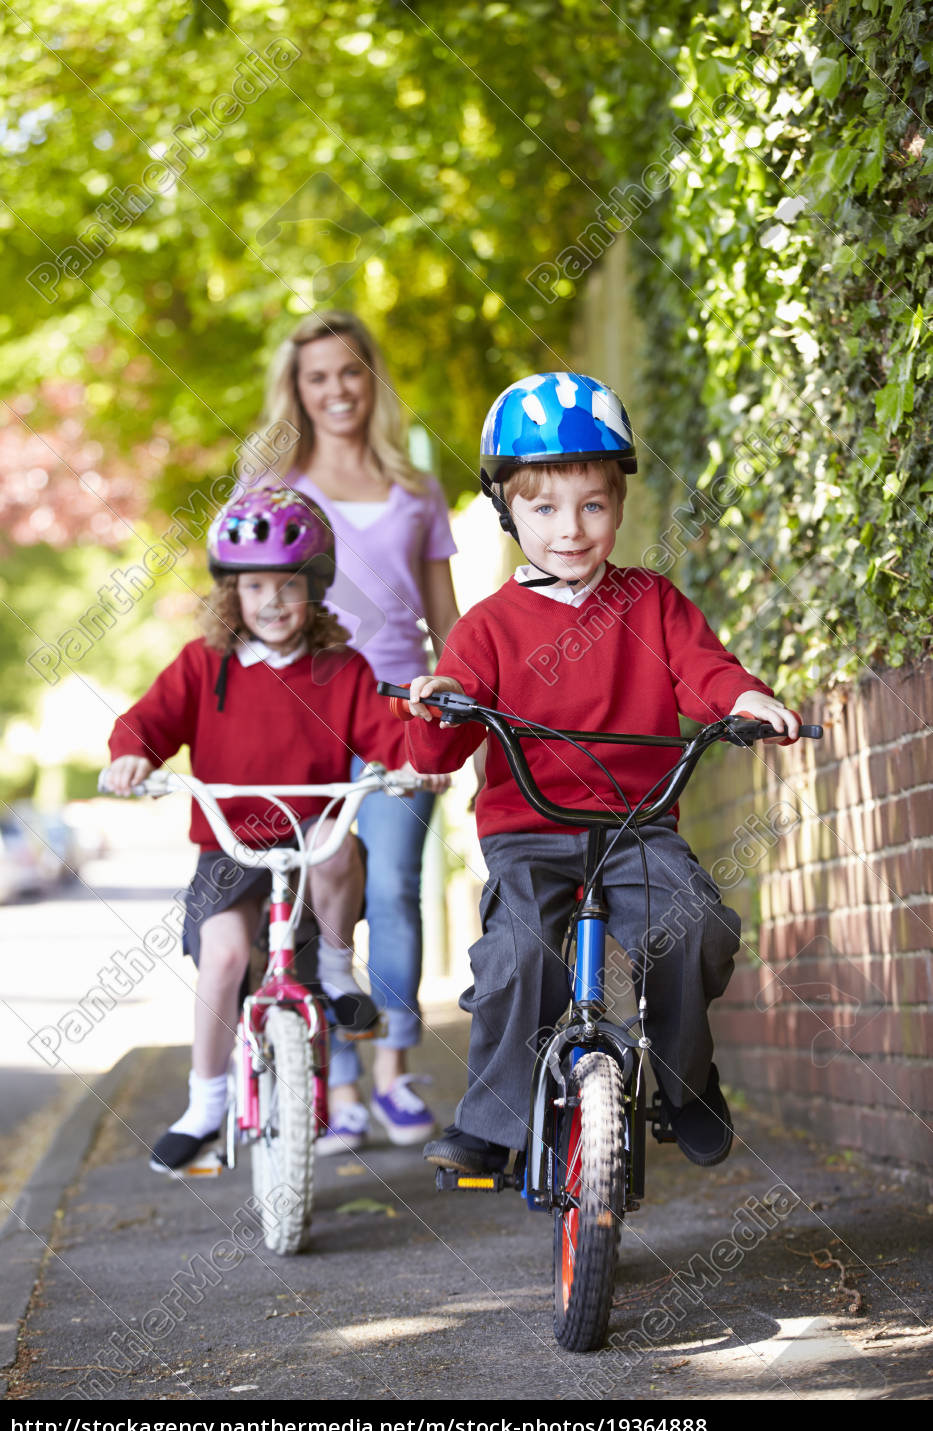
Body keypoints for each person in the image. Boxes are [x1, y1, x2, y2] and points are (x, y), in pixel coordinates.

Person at [404, 372, 802, 1175]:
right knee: (517, 955)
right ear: (506, 512)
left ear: (618, 506)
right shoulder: (484, 630)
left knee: (695, 927)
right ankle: (493, 1125)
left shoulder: (650, 602)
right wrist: (440, 706)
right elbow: (435, 755)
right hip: (528, 834)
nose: (570, 529)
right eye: (542, 508)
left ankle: (685, 1083)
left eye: (591, 504)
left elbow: (704, 671)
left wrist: (746, 697)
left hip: (636, 827)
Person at [103, 484, 433, 1172]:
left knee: (336, 840)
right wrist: (132, 754)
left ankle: (338, 974)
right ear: (232, 593)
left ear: (313, 589)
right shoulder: (205, 665)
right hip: (228, 851)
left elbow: (383, 733)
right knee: (224, 958)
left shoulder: (341, 668)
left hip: (306, 839)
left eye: (288, 585)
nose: (273, 602)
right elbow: (150, 720)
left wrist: (413, 763)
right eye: (254, 586)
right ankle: (207, 1100)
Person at [260, 308, 459, 1150]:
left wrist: (456, 719)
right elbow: (240, 613)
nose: (335, 389)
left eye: (349, 372)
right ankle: (337, 1084)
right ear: (296, 392)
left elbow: (449, 621)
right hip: (304, 706)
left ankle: (393, 1072)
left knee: (393, 890)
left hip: (398, 708)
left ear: (368, 379)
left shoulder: (415, 489)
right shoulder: (273, 494)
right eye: (316, 377)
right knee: (322, 888)